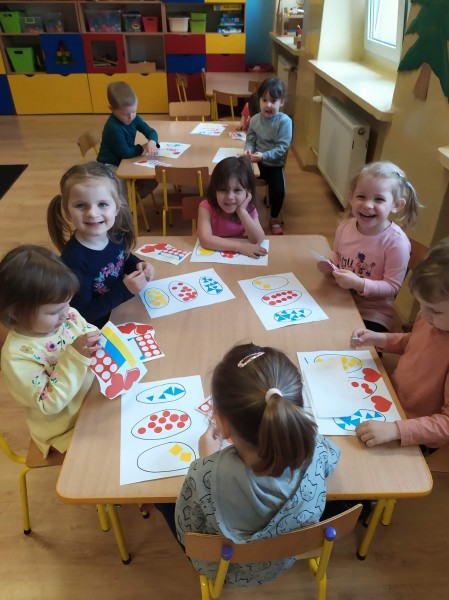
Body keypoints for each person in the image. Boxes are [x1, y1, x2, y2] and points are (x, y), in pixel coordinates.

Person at [174, 343, 340, 587]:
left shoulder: (203, 476)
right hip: (286, 557)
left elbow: (187, 534)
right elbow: (332, 460)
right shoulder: (315, 446)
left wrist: (205, 460)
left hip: (226, 569)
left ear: (222, 425)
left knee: (162, 503)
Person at [0, 245, 100, 458]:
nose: (66, 313)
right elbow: (49, 403)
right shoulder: (17, 356)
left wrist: (99, 338)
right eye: (54, 311)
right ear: (16, 313)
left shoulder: (66, 316)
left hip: (94, 399)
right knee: (104, 457)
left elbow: (87, 331)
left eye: (67, 303)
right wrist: (76, 355)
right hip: (65, 429)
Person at [350, 237, 449, 449]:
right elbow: (415, 342)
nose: (423, 314)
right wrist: (381, 339)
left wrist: (396, 430)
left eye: (434, 310)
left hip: (416, 431)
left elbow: (446, 424)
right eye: (420, 304)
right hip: (391, 401)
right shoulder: (431, 319)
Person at [47, 162, 154, 329]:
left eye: (102, 204)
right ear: (68, 212)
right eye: (81, 205)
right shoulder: (74, 260)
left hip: (121, 309)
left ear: (116, 207)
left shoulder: (114, 233)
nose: (92, 213)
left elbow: (121, 257)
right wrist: (124, 290)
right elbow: (82, 315)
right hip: (99, 328)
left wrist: (138, 265)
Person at [317, 161, 422, 332]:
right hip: (340, 297)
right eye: (361, 196)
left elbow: (392, 287)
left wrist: (359, 283)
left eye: (379, 199)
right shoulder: (345, 226)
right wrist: (329, 261)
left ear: (396, 205)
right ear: (351, 197)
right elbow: (337, 254)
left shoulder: (397, 243)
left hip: (373, 313)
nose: (367, 205)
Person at [244, 78, 292, 235]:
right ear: (259, 100)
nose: (268, 105)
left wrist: (263, 156)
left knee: (279, 191)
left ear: (282, 102)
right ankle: (244, 215)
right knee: (241, 184)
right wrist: (248, 150)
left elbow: (282, 148)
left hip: (274, 165)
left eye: (273, 101)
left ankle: (274, 217)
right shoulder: (255, 120)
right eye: (264, 100)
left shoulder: (284, 122)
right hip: (255, 164)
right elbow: (250, 140)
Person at [97, 80, 159, 199]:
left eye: (134, 111)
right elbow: (126, 152)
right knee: (125, 189)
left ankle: (132, 201)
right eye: (125, 114)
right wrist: (142, 147)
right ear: (111, 108)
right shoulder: (113, 128)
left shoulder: (133, 118)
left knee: (152, 180)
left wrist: (152, 142)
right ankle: (124, 205)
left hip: (124, 161)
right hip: (110, 166)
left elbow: (151, 131)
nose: (131, 117)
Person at [197, 156, 267, 259]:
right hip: (211, 256)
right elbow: (205, 240)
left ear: (248, 191)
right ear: (214, 190)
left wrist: (242, 212)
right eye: (223, 189)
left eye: (237, 190)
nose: (229, 197)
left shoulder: (248, 209)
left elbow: (258, 240)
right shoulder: (206, 207)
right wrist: (239, 247)